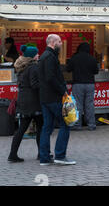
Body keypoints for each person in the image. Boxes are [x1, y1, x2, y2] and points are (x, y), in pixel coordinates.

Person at [38, 34, 75, 166]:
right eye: (59, 42)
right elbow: (50, 77)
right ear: (53, 43)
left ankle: (44, 158)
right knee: (65, 124)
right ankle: (60, 155)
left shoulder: (44, 56)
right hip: (53, 97)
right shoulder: (50, 57)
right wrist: (62, 90)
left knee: (47, 127)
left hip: (45, 97)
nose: (61, 44)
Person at [7, 44, 42, 162]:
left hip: (23, 100)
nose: (38, 55)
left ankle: (12, 154)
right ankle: (41, 154)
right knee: (40, 128)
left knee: (21, 129)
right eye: (37, 53)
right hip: (34, 101)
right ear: (32, 56)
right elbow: (34, 84)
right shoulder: (33, 67)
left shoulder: (22, 67)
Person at [66, 42, 99, 131]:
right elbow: (96, 71)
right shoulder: (92, 58)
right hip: (90, 84)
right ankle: (91, 125)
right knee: (89, 105)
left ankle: (77, 125)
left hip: (78, 84)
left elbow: (68, 69)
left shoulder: (75, 58)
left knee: (78, 105)